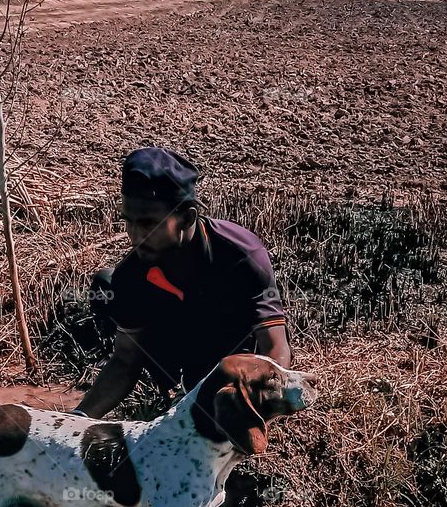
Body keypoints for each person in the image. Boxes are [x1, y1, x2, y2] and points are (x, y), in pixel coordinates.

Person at [73, 147, 292, 419]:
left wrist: (257, 411)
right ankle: (175, 392)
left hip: (231, 360)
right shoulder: (132, 274)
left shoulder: (241, 255)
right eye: (128, 222)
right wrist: (77, 420)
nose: (134, 235)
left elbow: (275, 349)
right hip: (179, 349)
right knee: (106, 285)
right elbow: (125, 361)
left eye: (147, 223)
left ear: (186, 218)